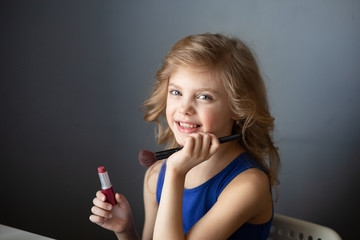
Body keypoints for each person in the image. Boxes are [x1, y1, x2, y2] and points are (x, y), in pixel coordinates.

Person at [89, 32, 280, 240]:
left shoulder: (248, 184)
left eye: (204, 96)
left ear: (237, 107)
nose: (185, 108)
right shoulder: (156, 176)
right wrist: (125, 231)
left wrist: (175, 174)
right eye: (176, 92)